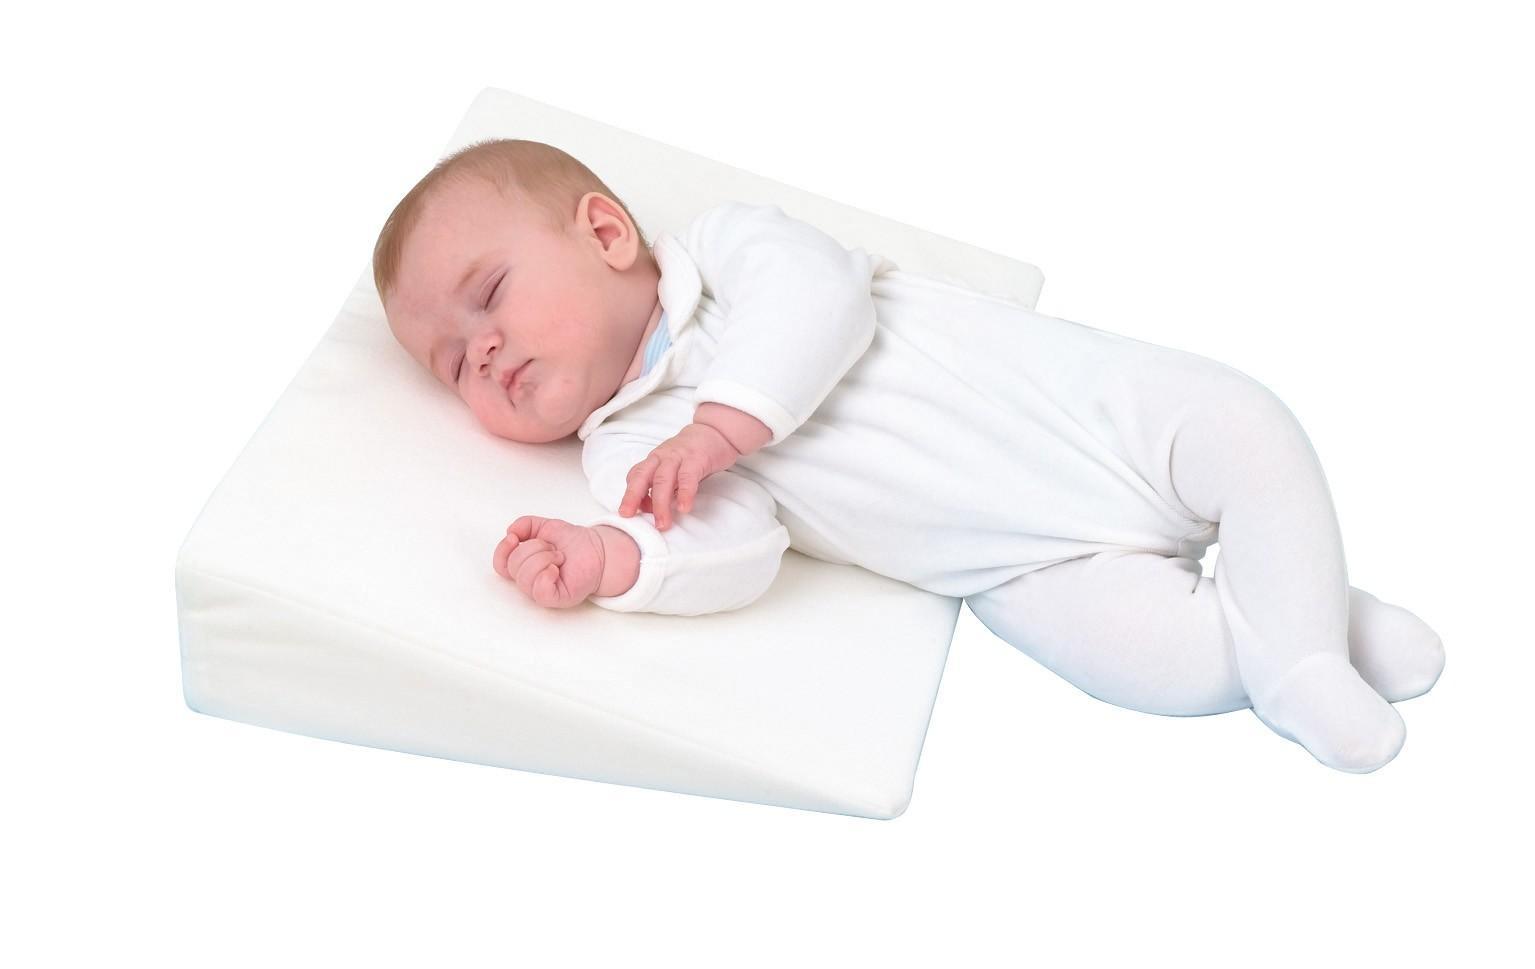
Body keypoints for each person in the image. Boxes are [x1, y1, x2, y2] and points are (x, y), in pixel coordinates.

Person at [374, 138, 1444, 773]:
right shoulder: (626, 457)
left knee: (1244, 429)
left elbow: (819, 304)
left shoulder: (729, 251)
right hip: (1013, 563)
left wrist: (721, 427)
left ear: (607, 234)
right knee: (1166, 669)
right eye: (453, 364)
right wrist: (612, 559)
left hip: (1082, 410)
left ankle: (1298, 662)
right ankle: (1313, 622)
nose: (485, 352)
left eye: (490, 296)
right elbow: (732, 548)